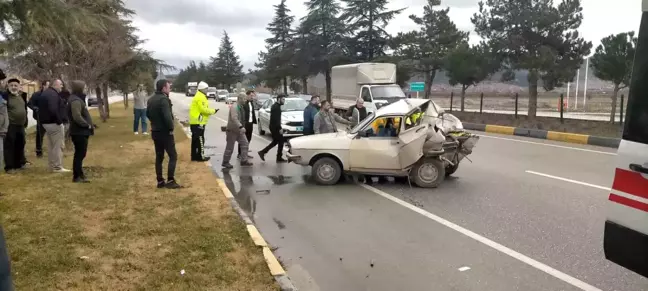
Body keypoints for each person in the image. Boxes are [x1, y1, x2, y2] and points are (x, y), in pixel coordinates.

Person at [146, 79, 182, 189]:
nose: (170, 89)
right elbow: (167, 117)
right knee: (173, 156)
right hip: (165, 133)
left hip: (155, 132)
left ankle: (160, 181)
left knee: (159, 156)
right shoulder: (164, 100)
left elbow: (147, 114)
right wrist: (171, 128)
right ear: (163, 88)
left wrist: (155, 123)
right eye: (168, 87)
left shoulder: (151, 99)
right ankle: (170, 180)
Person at [40, 79, 70, 172]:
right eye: (61, 84)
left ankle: (52, 165)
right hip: (54, 124)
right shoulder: (53, 94)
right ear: (55, 84)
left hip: (46, 124)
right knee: (58, 145)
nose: (62, 86)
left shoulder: (46, 93)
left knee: (51, 145)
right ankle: (57, 167)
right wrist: (60, 122)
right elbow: (53, 109)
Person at [67, 80, 93, 183]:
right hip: (79, 131)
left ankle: (80, 174)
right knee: (79, 154)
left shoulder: (77, 99)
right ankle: (76, 176)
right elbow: (76, 116)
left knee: (81, 154)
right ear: (79, 88)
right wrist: (87, 125)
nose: (86, 88)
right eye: (84, 87)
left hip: (81, 131)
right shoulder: (75, 101)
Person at [1, 79, 28, 173]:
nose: (13, 87)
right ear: (8, 87)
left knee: (20, 144)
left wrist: (25, 122)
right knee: (9, 146)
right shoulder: (5, 96)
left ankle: (18, 164)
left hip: (21, 125)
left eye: (15, 85)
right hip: (10, 125)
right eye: (11, 85)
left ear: (19, 86)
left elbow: (25, 109)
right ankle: (9, 167)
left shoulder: (22, 96)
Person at [222, 93, 253, 169]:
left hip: (239, 131)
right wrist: (241, 127)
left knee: (245, 143)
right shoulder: (234, 107)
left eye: (246, 99)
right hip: (232, 130)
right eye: (244, 99)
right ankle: (225, 162)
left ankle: (244, 160)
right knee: (230, 147)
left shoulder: (241, 106)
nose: (245, 100)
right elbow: (234, 118)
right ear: (240, 98)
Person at [189, 81, 218, 162]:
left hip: (194, 121)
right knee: (201, 139)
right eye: (206, 89)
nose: (207, 90)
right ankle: (201, 156)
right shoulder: (201, 97)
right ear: (202, 89)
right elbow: (203, 109)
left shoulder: (198, 95)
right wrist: (213, 111)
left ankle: (194, 156)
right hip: (199, 122)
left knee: (195, 140)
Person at [258, 94, 287, 163]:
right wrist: (280, 128)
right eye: (283, 99)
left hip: (274, 127)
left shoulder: (276, 106)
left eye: (284, 99)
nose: (284, 101)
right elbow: (276, 119)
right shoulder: (276, 107)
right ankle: (277, 157)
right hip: (275, 127)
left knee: (276, 142)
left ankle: (263, 152)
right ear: (279, 99)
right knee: (280, 141)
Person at [27, 80, 49, 157]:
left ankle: (52, 151)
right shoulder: (36, 95)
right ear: (43, 85)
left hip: (51, 118)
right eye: (47, 85)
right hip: (40, 118)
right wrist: (35, 108)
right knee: (40, 135)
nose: (48, 87)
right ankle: (39, 151)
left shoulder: (52, 95)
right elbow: (30, 104)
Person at [237, 90, 256, 160]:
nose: (252, 97)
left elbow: (252, 113)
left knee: (248, 139)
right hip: (245, 123)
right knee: (242, 139)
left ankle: (245, 153)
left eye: (253, 96)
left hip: (250, 123)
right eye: (251, 96)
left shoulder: (251, 103)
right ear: (247, 95)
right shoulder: (244, 104)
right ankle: (239, 153)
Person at [0, 91, 7, 173]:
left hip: (1, 129)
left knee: (1, 150)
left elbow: (5, 115)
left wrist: (4, 128)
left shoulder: (2, 98)